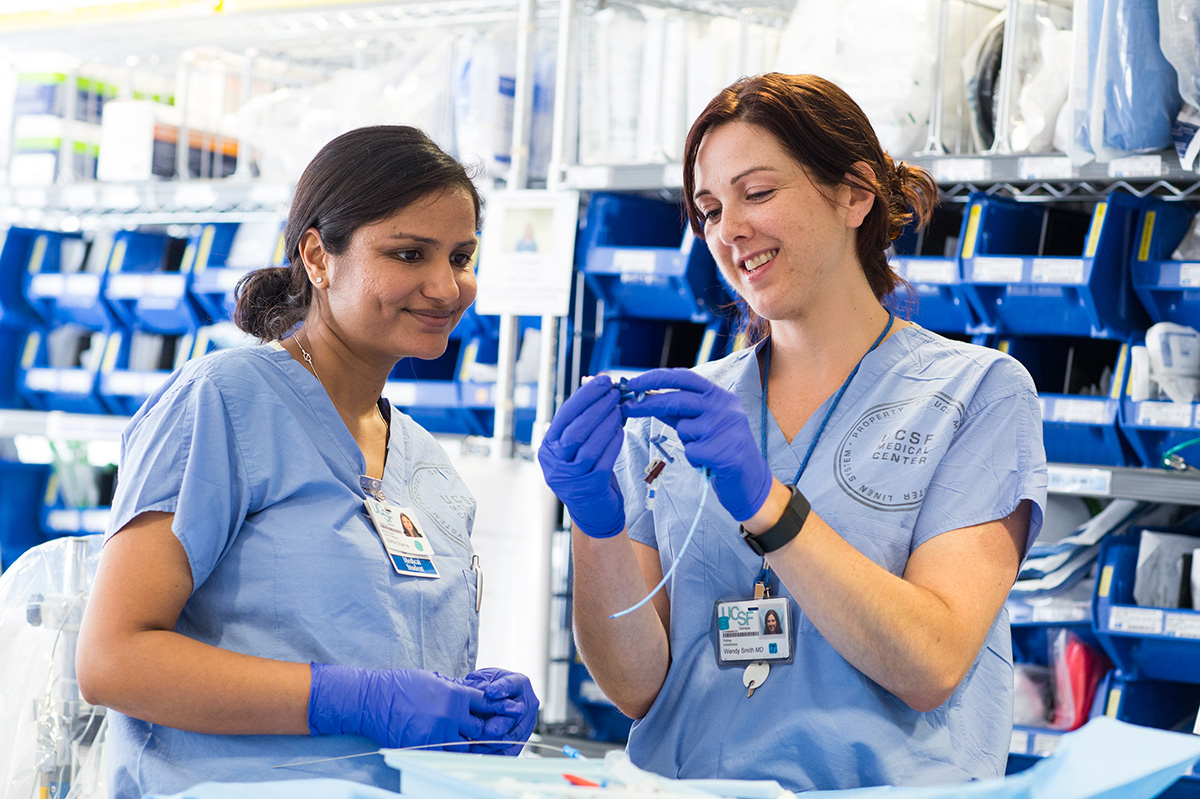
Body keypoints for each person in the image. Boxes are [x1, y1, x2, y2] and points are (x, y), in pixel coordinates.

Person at [538, 73, 1046, 791]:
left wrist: (768, 505)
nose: (728, 229)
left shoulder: (977, 393)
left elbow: (932, 661)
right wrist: (592, 521)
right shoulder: (676, 419)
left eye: (758, 193)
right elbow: (635, 684)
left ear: (855, 193)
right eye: (709, 209)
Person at [76, 125, 539, 799]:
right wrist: (346, 698)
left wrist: (470, 709)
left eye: (462, 257)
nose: (446, 287)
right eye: (409, 253)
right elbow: (112, 660)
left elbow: (385, 655)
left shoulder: (428, 466)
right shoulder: (225, 402)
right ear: (319, 257)